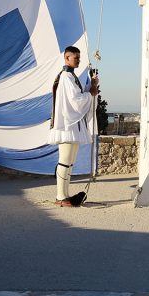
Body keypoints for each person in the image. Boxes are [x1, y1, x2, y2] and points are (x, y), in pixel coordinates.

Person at [46, 46, 99, 207]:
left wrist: (92, 87)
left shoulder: (70, 76)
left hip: (72, 125)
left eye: (79, 57)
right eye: (76, 58)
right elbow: (75, 100)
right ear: (67, 58)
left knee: (69, 162)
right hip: (67, 125)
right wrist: (90, 93)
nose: (78, 60)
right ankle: (60, 197)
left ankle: (64, 195)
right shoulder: (66, 77)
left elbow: (78, 96)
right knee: (64, 161)